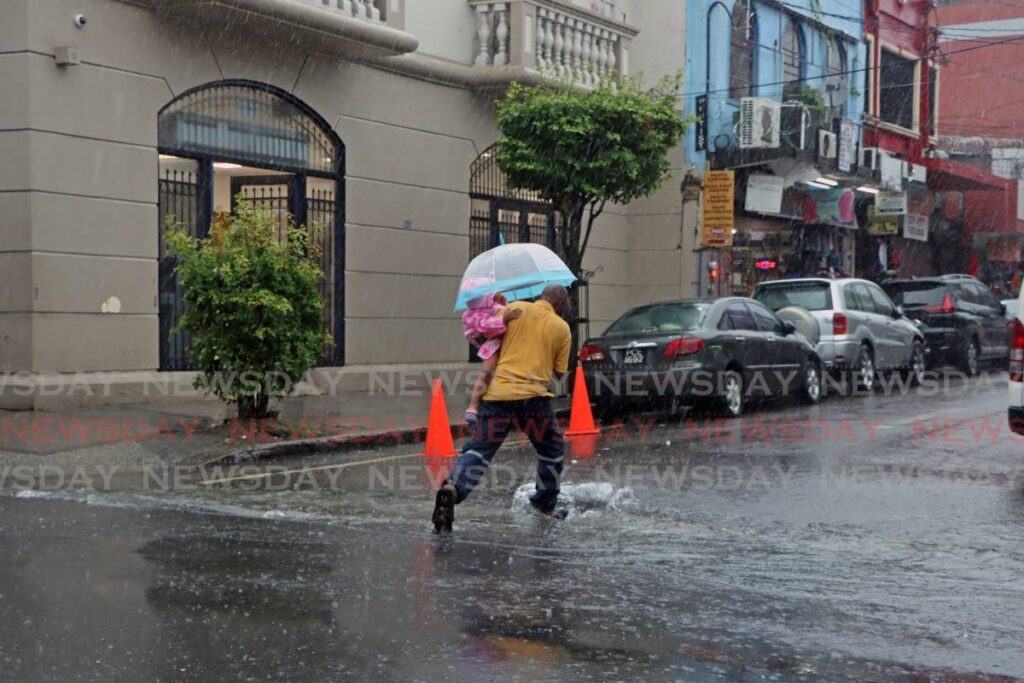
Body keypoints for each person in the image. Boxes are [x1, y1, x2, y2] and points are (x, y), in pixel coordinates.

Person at [432, 284, 572, 532]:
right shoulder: (562, 328)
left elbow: (487, 335)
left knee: (479, 450)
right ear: (560, 306)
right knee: (551, 449)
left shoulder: (513, 309)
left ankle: (454, 488)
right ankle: (545, 503)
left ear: (542, 296)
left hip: (498, 396)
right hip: (534, 400)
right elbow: (560, 374)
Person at [461, 292, 522, 426]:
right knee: (487, 372)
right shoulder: (474, 315)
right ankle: (473, 406)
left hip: (505, 342)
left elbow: (507, 313)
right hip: (492, 344)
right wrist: (503, 318)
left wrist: (504, 304)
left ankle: (499, 406)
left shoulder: (493, 307)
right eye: (489, 295)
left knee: (503, 373)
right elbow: (485, 326)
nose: (493, 296)